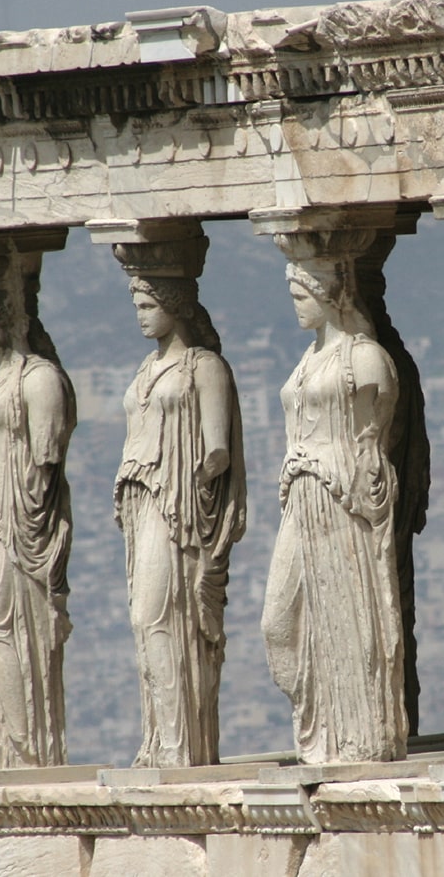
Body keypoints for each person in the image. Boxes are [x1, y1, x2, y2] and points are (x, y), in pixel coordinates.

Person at [262, 263, 407, 763]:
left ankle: (358, 737)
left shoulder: (364, 360)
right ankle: (320, 727)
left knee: (352, 618)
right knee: (279, 625)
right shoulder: (307, 359)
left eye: (302, 293)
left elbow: (378, 442)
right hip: (301, 500)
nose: (295, 303)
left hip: (341, 502)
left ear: (330, 295)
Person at [115, 276, 246, 768]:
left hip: (181, 510)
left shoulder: (205, 368)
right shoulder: (146, 368)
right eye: (137, 305)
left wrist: (184, 479)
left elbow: (217, 450)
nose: (141, 314)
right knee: (144, 619)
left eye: (149, 304)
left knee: (161, 615)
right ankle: (160, 741)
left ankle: (181, 746)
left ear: (174, 305)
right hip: (142, 503)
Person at [0, 278, 76, 769]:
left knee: (3, 624)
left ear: (6, 320)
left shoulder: (40, 378)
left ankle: (31, 749)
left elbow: (46, 455)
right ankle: (11, 743)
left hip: (21, 517)